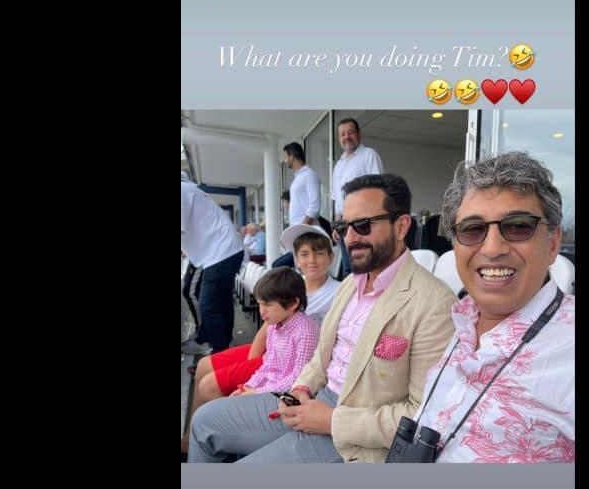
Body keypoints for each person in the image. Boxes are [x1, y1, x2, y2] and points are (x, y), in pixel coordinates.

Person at [188, 174, 456, 463]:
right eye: (344, 226)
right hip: (313, 398)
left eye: (363, 225)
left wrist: (332, 420)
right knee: (203, 422)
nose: (351, 238)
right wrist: (301, 388)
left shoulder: (435, 304)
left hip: (355, 434)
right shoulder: (351, 285)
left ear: (401, 226)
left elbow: (423, 414)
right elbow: (319, 357)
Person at [412, 151, 575, 463]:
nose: (492, 248)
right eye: (473, 229)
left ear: (552, 243)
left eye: (518, 226)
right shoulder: (464, 320)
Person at [181, 268, 320, 459]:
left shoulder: (305, 332)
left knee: (226, 414)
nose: (261, 311)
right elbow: (267, 365)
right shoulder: (274, 325)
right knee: (228, 403)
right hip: (268, 388)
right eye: (259, 304)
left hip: (285, 398)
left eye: (267, 305)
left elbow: (297, 380)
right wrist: (247, 387)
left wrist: (255, 393)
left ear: (293, 303)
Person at [181, 174, 244, 354]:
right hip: (225, 250)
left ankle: (218, 354)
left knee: (209, 306)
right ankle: (224, 348)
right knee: (221, 301)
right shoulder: (189, 189)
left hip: (220, 253)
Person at [331, 118, 383, 276]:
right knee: (349, 269)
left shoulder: (369, 155)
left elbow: (378, 190)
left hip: (362, 224)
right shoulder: (338, 165)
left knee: (366, 268)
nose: (346, 137)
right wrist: (336, 225)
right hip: (343, 227)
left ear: (359, 134)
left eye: (350, 132)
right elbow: (337, 199)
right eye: (342, 134)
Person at [279, 224, 341, 324]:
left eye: (319, 253)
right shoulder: (289, 290)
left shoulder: (340, 292)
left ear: (330, 258)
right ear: (297, 260)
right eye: (304, 254)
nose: (312, 260)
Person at [283, 142, 322, 227]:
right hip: (299, 230)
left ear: (292, 157)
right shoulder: (298, 178)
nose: (285, 160)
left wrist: (301, 228)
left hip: (307, 232)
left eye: (286, 157)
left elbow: (314, 207)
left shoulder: (309, 175)